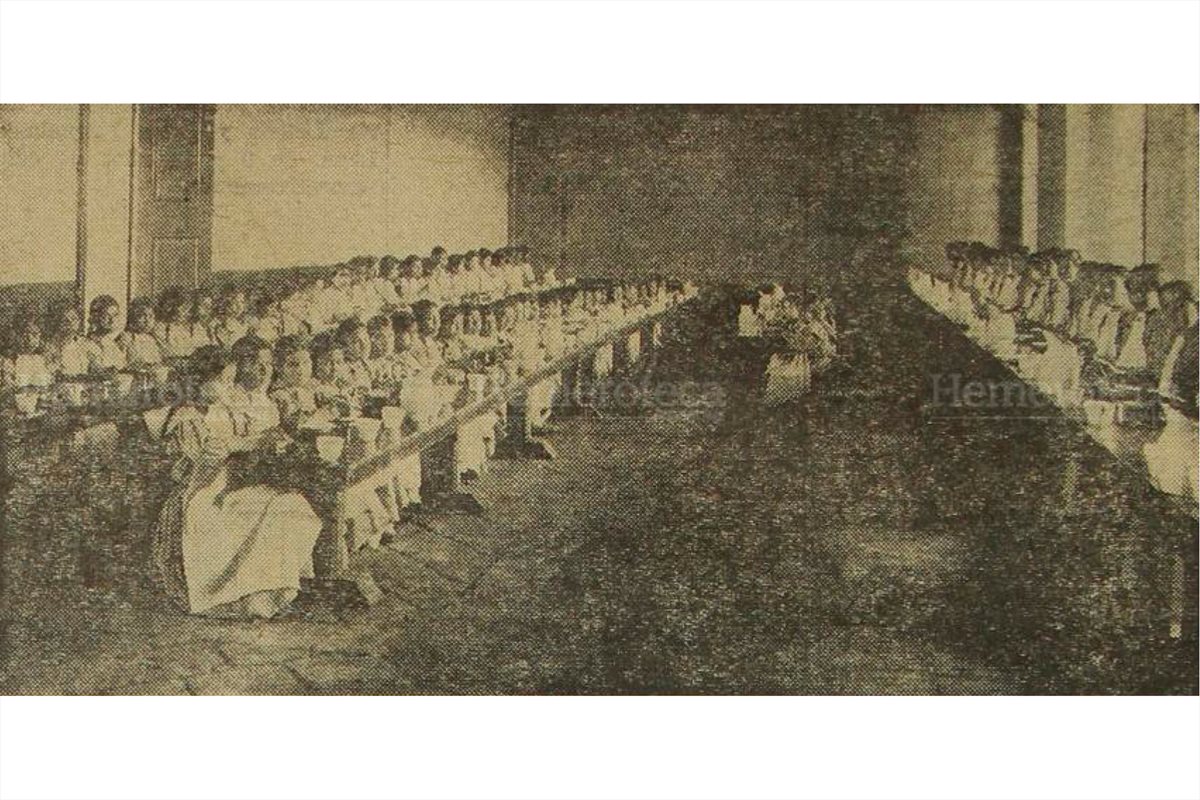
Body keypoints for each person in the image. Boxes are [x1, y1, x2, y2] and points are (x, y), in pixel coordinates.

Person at [152, 342, 323, 619]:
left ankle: (280, 587)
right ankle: (252, 596)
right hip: (199, 499)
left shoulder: (214, 411)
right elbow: (209, 458)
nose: (228, 388)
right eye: (224, 381)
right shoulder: (187, 418)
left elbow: (234, 447)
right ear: (200, 381)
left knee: (291, 503)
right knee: (278, 507)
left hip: (225, 487)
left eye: (231, 381)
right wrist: (252, 442)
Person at [269, 334, 319, 431]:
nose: (300, 370)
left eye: (305, 363)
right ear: (279, 367)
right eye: (293, 365)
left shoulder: (312, 391)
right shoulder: (277, 396)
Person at [43, 300, 90, 378]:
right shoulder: (50, 346)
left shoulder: (85, 343)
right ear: (58, 323)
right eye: (66, 321)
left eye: (74, 319)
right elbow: (49, 372)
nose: (71, 323)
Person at [118, 296, 166, 370]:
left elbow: (158, 362)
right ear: (133, 317)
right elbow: (119, 364)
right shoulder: (127, 338)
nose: (147, 320)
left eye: (151, 316)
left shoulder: (152, 339)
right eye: (142, 316)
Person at [84, 294, 126, 373]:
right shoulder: (87, 344)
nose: (112, 320)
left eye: (115, 315)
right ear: (96, 317)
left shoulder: (114, 342)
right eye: (106, 316)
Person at [154, 287, 197, 359]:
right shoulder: (161, 328)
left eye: (188, 309)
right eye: (183, 308)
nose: (187, 312)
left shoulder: (188, 328)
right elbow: (169, 352)